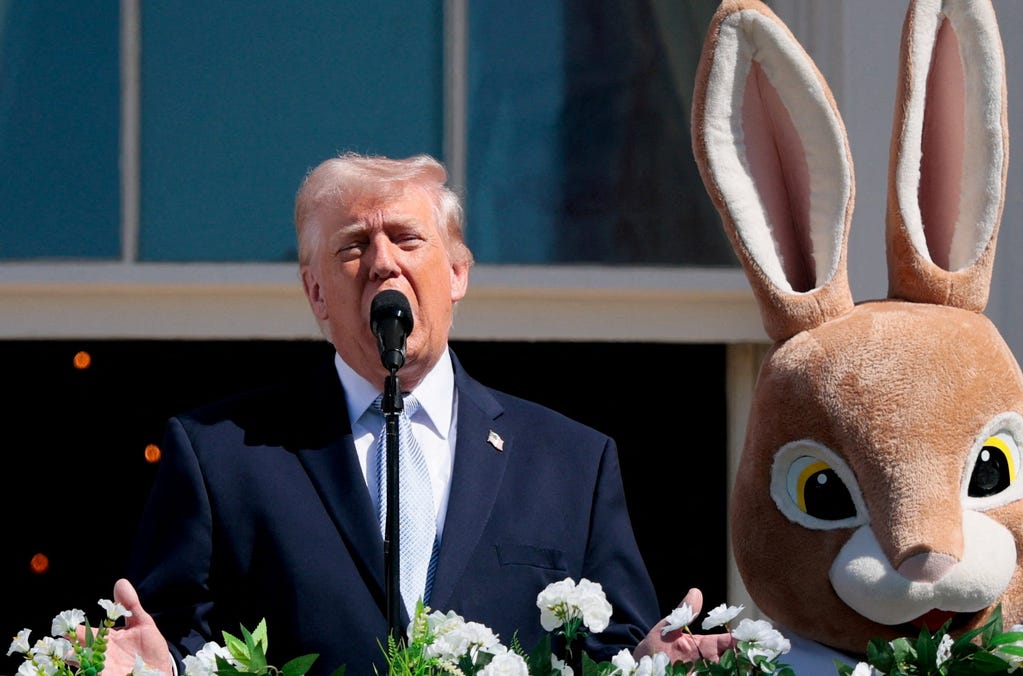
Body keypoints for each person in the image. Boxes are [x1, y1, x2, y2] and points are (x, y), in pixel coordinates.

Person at [100, 152, 692, 675]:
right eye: (353, 246)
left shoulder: (571, 463)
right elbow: (178, 639)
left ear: (457, 273)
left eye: (407, 239)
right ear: (316, 293)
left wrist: (650, 664)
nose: (383, 262)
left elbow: (615, 648)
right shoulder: (219, 456)